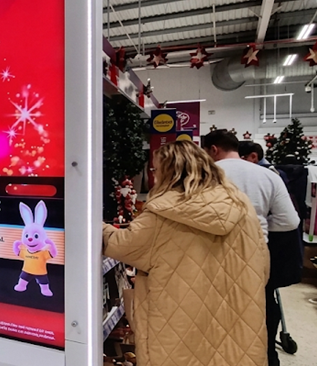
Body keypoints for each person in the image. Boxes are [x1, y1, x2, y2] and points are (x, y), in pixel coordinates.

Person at [103, 140, 268, 366]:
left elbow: (123, 245)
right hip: (237, 316)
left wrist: (96, 226)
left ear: (170, 171)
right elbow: (262, 264)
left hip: (179, 319)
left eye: (156, 169)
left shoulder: (163, 211)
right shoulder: (240, 204)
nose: (154, 175)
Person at [203, 130, 301, 366]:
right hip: (255, 257)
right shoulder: (268, 176)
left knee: (212, 316)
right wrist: (260, 230)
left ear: (213, 150)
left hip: (210, 254)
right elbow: (290, 221)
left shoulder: (203, 175)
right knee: (260, 310)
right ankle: (265, 356)